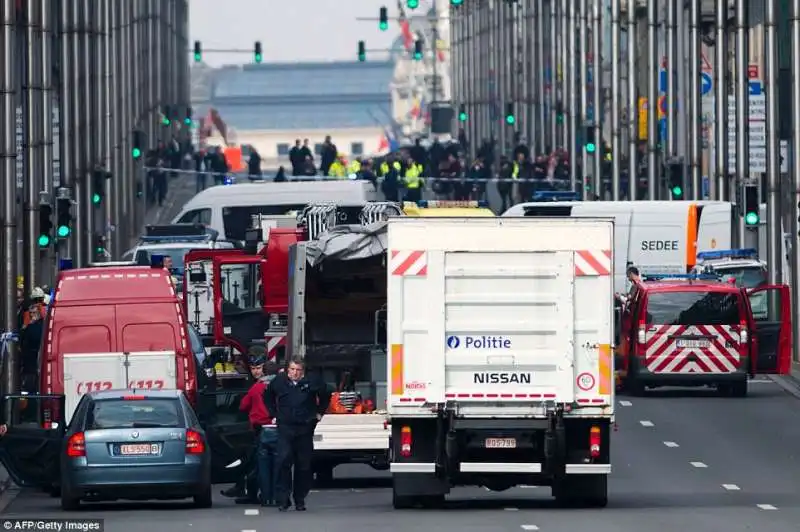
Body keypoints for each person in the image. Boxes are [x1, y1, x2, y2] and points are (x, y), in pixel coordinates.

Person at [264, 357, 331, 512]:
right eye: (292, 370)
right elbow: (267, 397)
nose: (295, 373)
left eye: (298, 370)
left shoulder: (312, 381)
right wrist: (273, 414)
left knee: (304, 465)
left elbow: (326, 393)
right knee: (283, 460)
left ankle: (299, 499)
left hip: (305, 428)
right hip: (285, 427)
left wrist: (319, 412)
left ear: (303, 371)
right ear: (288, 370)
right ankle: (283, 498)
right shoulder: (279, 381)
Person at [234, 351, 279, 505]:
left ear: (264, 370)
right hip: (280, 428)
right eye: (253, 368)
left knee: (260, 465)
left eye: (259, 368)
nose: (256, 371)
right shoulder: (282, 386)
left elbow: (242, 406)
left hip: (261, 430)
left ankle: (262, 495)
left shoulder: (257, 388)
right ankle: (276, 495)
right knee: (278, 465)